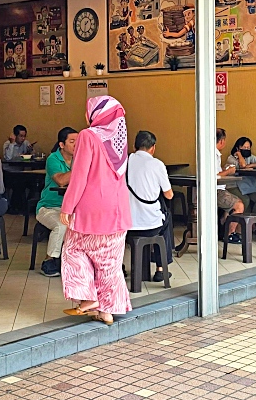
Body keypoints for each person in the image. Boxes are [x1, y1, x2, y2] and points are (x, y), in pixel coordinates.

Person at [59, 96, 133, 325]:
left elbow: (79, 176)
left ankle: (87, 299)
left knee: (73, 250)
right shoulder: (119, 139)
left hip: (91, 210)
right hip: (118, 210)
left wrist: (67, 206)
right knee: (109, 263)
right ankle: (107, 311)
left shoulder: (87, 136)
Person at [125, 130, 175, 283]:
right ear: (153, 147)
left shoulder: (125, 161)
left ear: (134, 146)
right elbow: (169, 195)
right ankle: (161, 268)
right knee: (167, 220)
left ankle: (118, 266)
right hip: (150, 225)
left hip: (126, 225)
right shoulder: (157, 164)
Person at [35, 127, 77, 277]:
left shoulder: (78, 159)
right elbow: (60, 180)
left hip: (70, 208)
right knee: (61, 225)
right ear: (62, 144)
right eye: (72, 141)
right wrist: (81, 167)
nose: (76, 145)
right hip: (48, 208)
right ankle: (49, 260)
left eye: (78, 142)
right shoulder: (53, 158)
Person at [215, 129, 245, 238]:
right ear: (222, 141)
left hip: (220, 189)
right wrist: (228, 171)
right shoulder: (214, 154)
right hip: (216, 190)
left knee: (239, 201)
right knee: (239, 206)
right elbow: (215, 176)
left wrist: (224, 170)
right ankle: (229, 235)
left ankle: (227, 228)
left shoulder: (213, 154)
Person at [225, 137, 256, 214]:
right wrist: (239, 154)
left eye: (248, 148)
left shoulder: (250, 157)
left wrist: (249, 166)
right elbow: (242, 165)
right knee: (245, 200)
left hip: (247, 186)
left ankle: (253, 221)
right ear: (238, 148)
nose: (246, 149)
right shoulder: (231, 158)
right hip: (234, 185)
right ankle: (237, 221)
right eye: (244, 147)